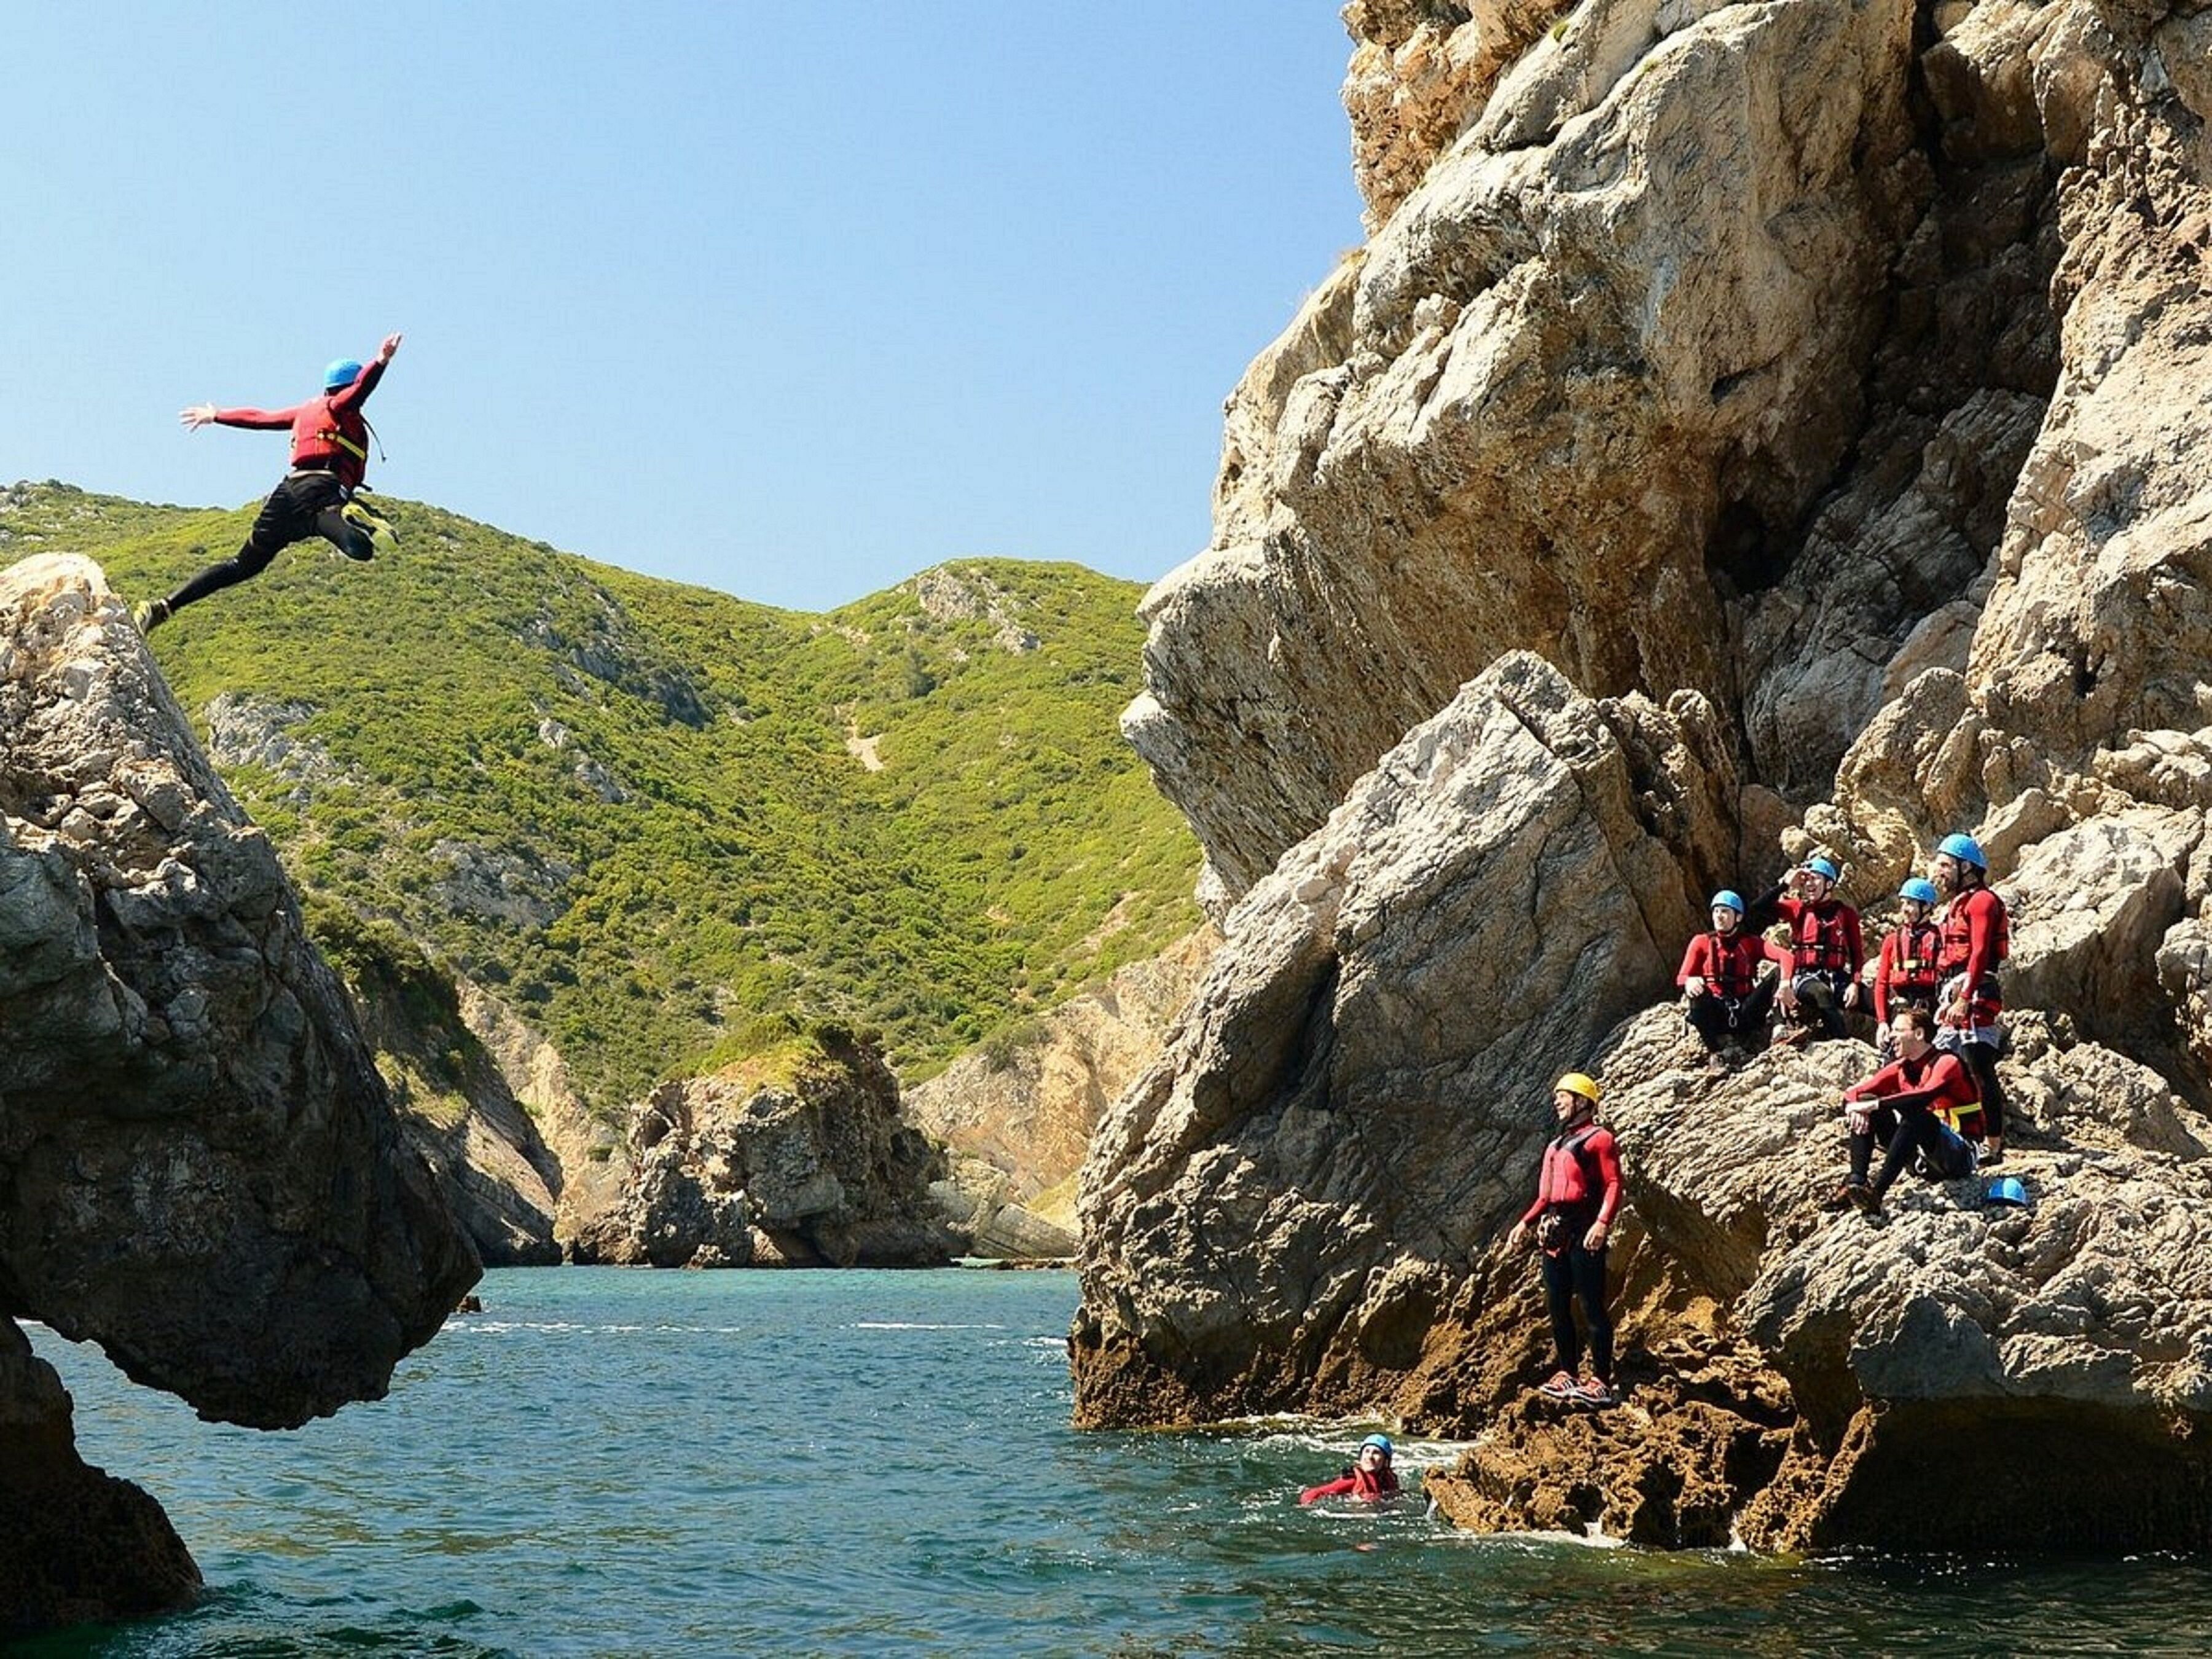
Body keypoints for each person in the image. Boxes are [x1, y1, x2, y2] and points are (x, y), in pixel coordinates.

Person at [133, 334, 404, 632]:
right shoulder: (343, 407)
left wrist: (217, 415)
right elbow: (361, 390)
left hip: (287, 495)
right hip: (323, 490)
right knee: (360, 548)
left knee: (242, 565)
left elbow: (260, 417)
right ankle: (351, 516)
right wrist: (381, 361)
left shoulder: (305, 411)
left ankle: (163, 607)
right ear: (347, 386)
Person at [1505, 1073, 1623, 1408]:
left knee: (1591, 1307)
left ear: (1584, 1101)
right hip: (1555, 1233)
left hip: (1585, 1229)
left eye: (1564, 1095)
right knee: (1558, 1307)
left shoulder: (1600, 1139)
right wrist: (1524, 1223)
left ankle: (1601, 1380)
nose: (1557, 1101)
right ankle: (1568, 1372)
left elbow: (1614, 1183)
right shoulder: (1555, 1147)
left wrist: (1602, 1223)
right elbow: (1546, 1196)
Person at [1832, 1004, 1982, 1215]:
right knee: (1866, 1102)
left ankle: (1877, 1194)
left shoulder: (1948, 1062)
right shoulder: (1901, 1067)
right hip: (1921, 1155)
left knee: (1915, 1114)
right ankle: (1856, 1183)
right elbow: (1855, 1093)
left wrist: (1876, 1104)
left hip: (1958, 1156)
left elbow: (1924, 1096)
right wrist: (1855, 1109)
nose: (1891, 1036)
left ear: (1919, 1034)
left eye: (1898, 1031)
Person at [1932, 832, 2012, 1163]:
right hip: (1956, 989)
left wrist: (1965, 997)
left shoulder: (1982, 901)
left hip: (1975, 988)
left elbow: (1979, 952)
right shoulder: (1956, 904)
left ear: (1967, 867)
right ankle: (1956, 1131)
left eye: (1946, 865)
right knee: (1939, 1060)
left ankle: (1993, 1146)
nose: (1940, 872)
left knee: (1979, 1065)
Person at [1677, 890, 1789, 1076]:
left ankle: (1779, 1028)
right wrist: (1689, 981)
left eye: (1725, 912)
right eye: (1716, 912)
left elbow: (1785, 957)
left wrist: (1785, 983)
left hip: (1746, 1012)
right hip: (1717, 1015)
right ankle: (1716, 1053)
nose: (1719, 916)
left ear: (1738, 917)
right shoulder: (1701, 942)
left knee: (1778, 974)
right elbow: (1682, 976)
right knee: (1696, 994)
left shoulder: (1751, 943)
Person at [1759, 855, 1864, 1045]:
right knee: (1821, 993)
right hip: (1805, 977)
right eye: (1806, 879)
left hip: (1837, 977)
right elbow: (1758, 908)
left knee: (1870, 1000)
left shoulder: (1846, 914)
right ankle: (1842, 1042)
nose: (1809, 883)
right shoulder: (1798, 909)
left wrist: (1855, 984)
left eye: (1815, 878)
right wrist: (1785, 885)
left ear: (1829, 884)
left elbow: (1857, 954)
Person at [1872, 877, 1945, 1062]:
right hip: (1902, 1004)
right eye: (1903, 903)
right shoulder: (1892, 940)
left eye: (1911, 903)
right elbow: (1881, 983)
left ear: (1927, 906)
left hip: (1930, 1003)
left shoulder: (1940, 937)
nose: (1905, 908)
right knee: (1892, 1051)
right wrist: (1882, 1022)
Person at [1299, 1433, 1402, 1504]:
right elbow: (1312, 1494)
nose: (1369, 1456)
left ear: (1386, 1461)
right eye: (1366, 1452)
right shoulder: (1352, 1480)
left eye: (1376, 1453)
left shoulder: (1389, 1479)